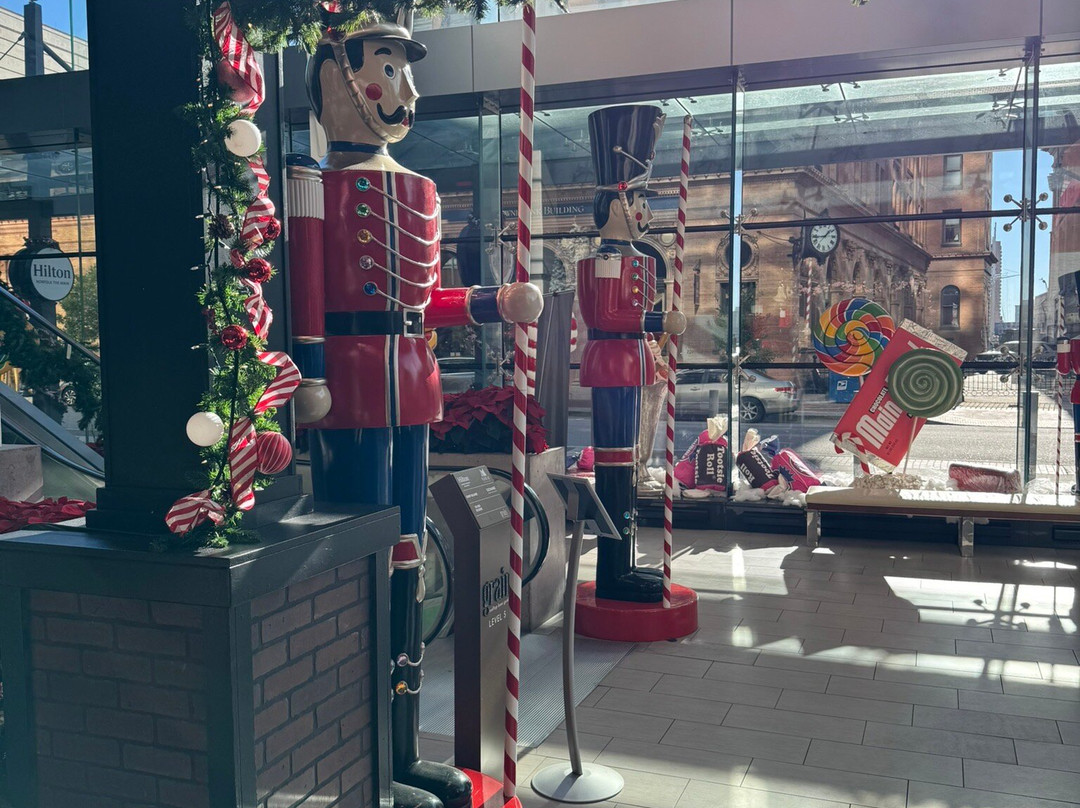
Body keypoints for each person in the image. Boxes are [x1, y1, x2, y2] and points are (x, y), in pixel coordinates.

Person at [286, 15, 541, 808]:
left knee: (409, 554)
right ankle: (365, 757)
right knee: (363, 559)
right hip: (351, 389)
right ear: (340, 78)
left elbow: (425, 302)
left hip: (410, 382)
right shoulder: (314, 186)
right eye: (387, 68)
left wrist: (496, 302)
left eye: (405, 69)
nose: (406, 90)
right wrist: (311, 373)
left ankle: (400, 751)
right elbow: (306, 293)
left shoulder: (419, 187)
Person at [577, 105, 686, 602]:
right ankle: (613, 571)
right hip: (611, 363)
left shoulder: (638, 259)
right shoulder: (602, 260)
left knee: (630, 463)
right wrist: (658, 322)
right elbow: (606, 316)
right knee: (615, 465)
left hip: (630, 364)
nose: (647, 212)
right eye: (641, 200)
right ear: (618, 203)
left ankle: (623, 563)